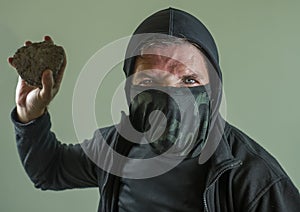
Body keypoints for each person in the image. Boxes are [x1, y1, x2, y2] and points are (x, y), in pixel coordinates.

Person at [9, 7, 300, 212]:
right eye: (149, 81)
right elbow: (48, 170)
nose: (169, 96)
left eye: (188, 80)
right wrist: (30, 113)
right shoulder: (114, 147)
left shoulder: (255, 177)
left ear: (213, 90)